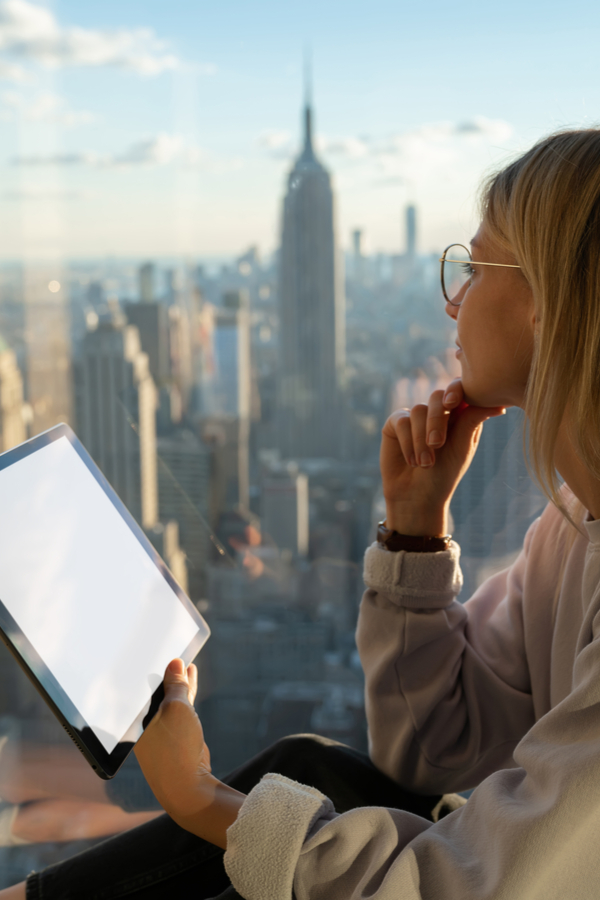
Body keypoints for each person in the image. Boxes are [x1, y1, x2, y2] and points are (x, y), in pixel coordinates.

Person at [4, 125, 600, 899]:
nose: (453, 300)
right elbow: (432, 755)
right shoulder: (568, 532)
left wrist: (197, 797)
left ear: (548, 305)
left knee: (290, 798)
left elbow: (462, 889)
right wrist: (416, 536)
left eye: (477, 266)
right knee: (312, 768)